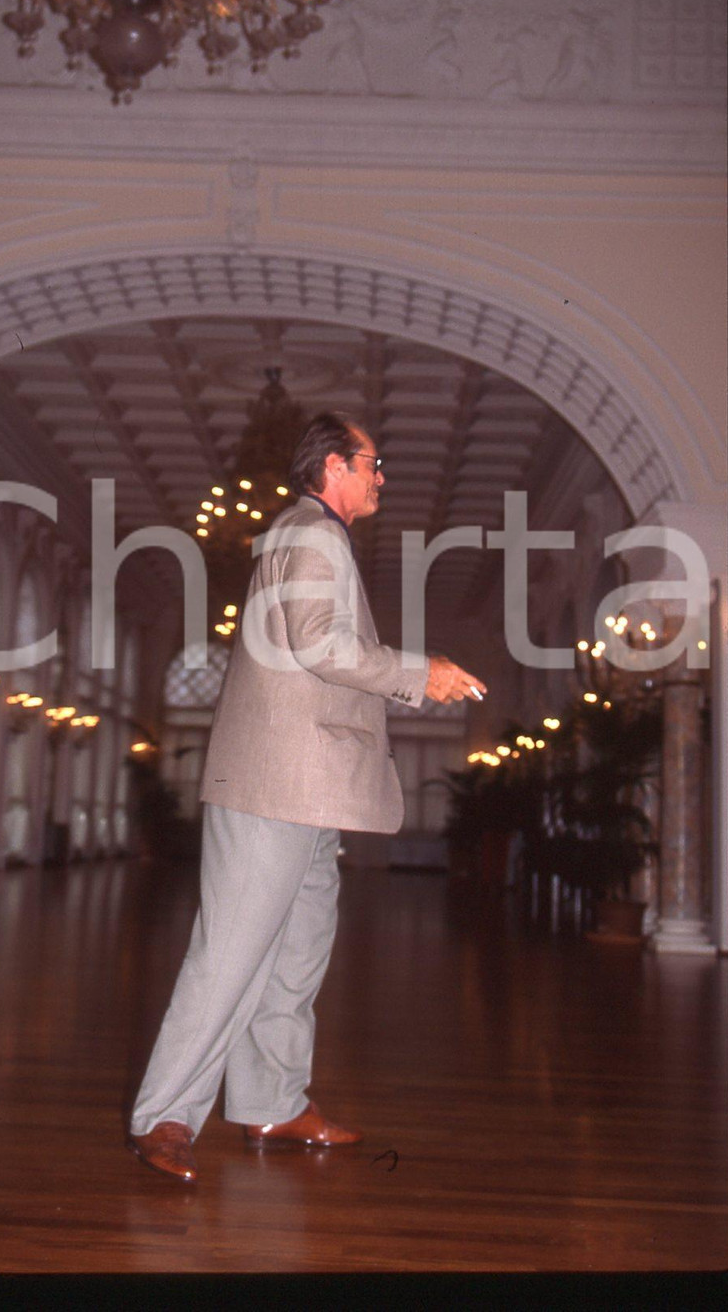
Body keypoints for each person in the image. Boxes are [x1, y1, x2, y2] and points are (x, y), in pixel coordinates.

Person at [128, 413, 486, 1181]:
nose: (382, 474)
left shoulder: (315, 534)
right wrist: (418, 672)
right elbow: (320, 641)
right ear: (334, 465)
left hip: (309, 785)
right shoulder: (311, 532)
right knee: (228, 955)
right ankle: (165, 1115)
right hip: (274, 783)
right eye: (373, 462)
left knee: (296, 957)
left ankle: (272, 1099)